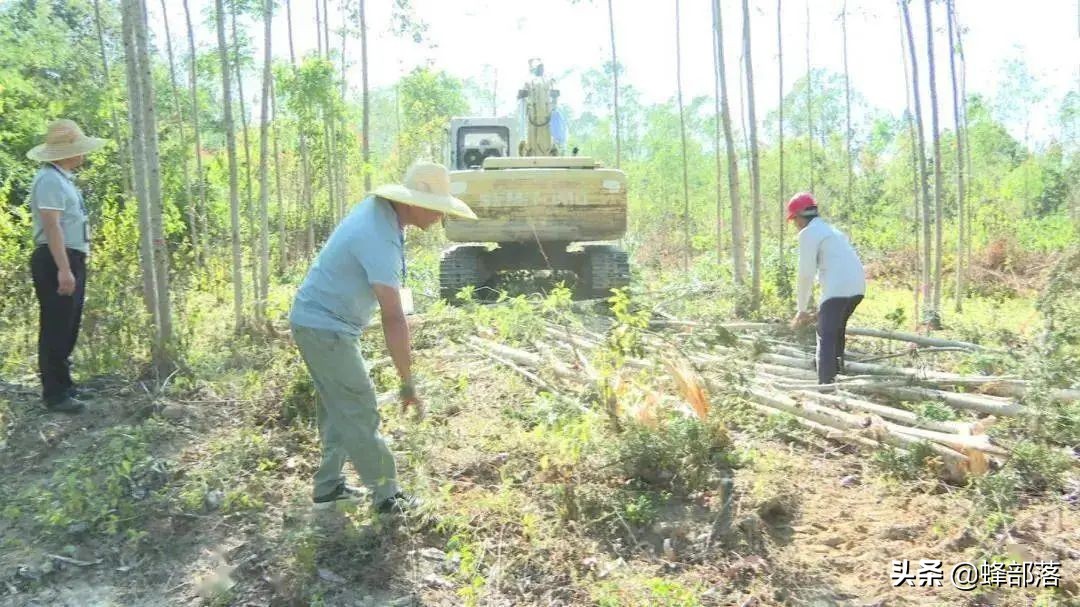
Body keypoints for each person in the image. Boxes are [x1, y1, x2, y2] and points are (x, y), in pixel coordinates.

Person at [289, 162, 476, 513]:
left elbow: (392, 297)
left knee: (337, 407)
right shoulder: (376, 235)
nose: (439, 217)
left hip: (322, 322)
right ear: (413, 202)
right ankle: (388, 498)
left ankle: (328, 487)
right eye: (436, 208)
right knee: (359, 407)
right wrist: (408, 383)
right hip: (324, 326)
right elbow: (392, 316)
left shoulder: (385, 219)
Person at [26, 119, 107, 414]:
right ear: (63, 152)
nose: (83, 154)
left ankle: (65, 385)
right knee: (56, 325)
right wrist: (63, 268)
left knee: (68, 324)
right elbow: (52, 225)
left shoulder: (62, 179)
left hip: (69, 256)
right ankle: (55, 394)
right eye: (78, 148)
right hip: (55, 257)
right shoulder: (49, 179)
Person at [787, 193, 866, 385]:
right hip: (858, 288)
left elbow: (805, 273)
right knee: (836, 331)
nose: (795, 224)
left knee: (825, 337)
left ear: (799, 216)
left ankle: (826, 388)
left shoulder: (808, 233)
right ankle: (839, 376)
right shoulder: (833, 231)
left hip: (837, 290)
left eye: (794, 220)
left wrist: (801, 309)